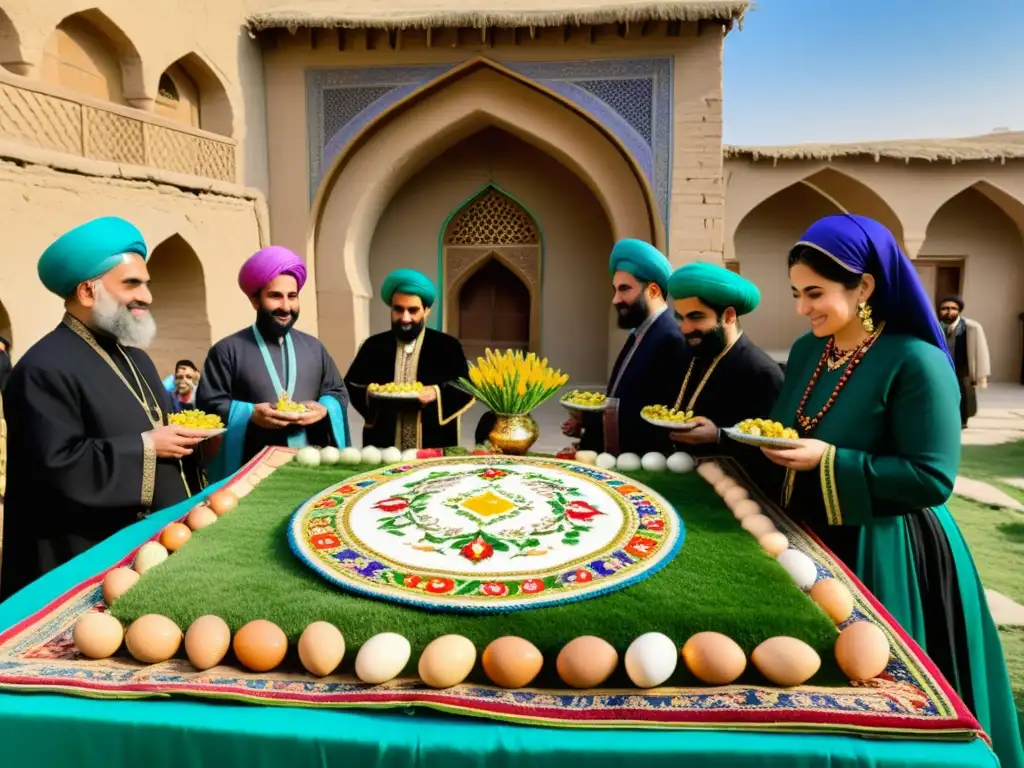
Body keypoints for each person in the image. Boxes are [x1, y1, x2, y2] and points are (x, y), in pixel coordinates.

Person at [753, 214, 1023, 768]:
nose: (802, 308)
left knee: (879, 697)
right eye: (796, 293)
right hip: (809, 534)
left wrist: (830, 460)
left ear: (866, 285)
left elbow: (931, 477)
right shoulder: (809, 352)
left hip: (888, 545)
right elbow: (785, 428)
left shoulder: (915, 361)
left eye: (816, 293)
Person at [0, 217, 207, 600]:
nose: (147, 296)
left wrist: (189, 443)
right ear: (87, 291)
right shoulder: (41, 368)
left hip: (154, 552)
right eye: (131, 284)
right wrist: (146, 447)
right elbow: (54, 468)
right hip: (82, 566)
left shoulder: (138, 361)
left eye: (146, 283)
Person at [197, 246, 350, 480]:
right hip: (252, 473)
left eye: (292, 296)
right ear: (255, 300)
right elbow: (209, 405)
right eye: (275, 296)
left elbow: (337, 391)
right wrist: (249, 414)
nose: (286, 307)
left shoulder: (314, 347)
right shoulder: (226, 350)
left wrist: (324, 408)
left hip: (313, 468)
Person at [568, 239, 688, 456]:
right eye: (615, 290)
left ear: (652, 290)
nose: (616, 299)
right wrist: (589, 428)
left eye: (624, 289)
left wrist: (590, 420)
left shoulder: (670, 339)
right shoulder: (641, 333)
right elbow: (623, 398)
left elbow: (652, 415)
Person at [344, 269, 475, 450]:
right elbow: (352, 384)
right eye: (398, 309)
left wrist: (436, 392)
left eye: (413, 310)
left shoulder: (447, 346)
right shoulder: (373, 346)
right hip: (383, 442)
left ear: (426, 310)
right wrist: (371, 393)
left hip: (433, 442)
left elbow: (465, 387)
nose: (405, 318)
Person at [664, 262, 783, 457]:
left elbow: (772, 449)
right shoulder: (695, 353)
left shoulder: (761, 372)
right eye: (682, 318)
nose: (685, 328)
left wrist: (719, 436)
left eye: (696, 317)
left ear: (728, 317)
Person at [937, 296, 991, 429]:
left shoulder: (971, 327)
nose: (949, 312)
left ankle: (962, 421)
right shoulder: (935, 327)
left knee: (964, 396)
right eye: (945, 308)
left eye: (953, 308)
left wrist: (981, 375)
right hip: (942, 368)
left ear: (959, 311)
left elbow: (980, 351)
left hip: (964, 369)